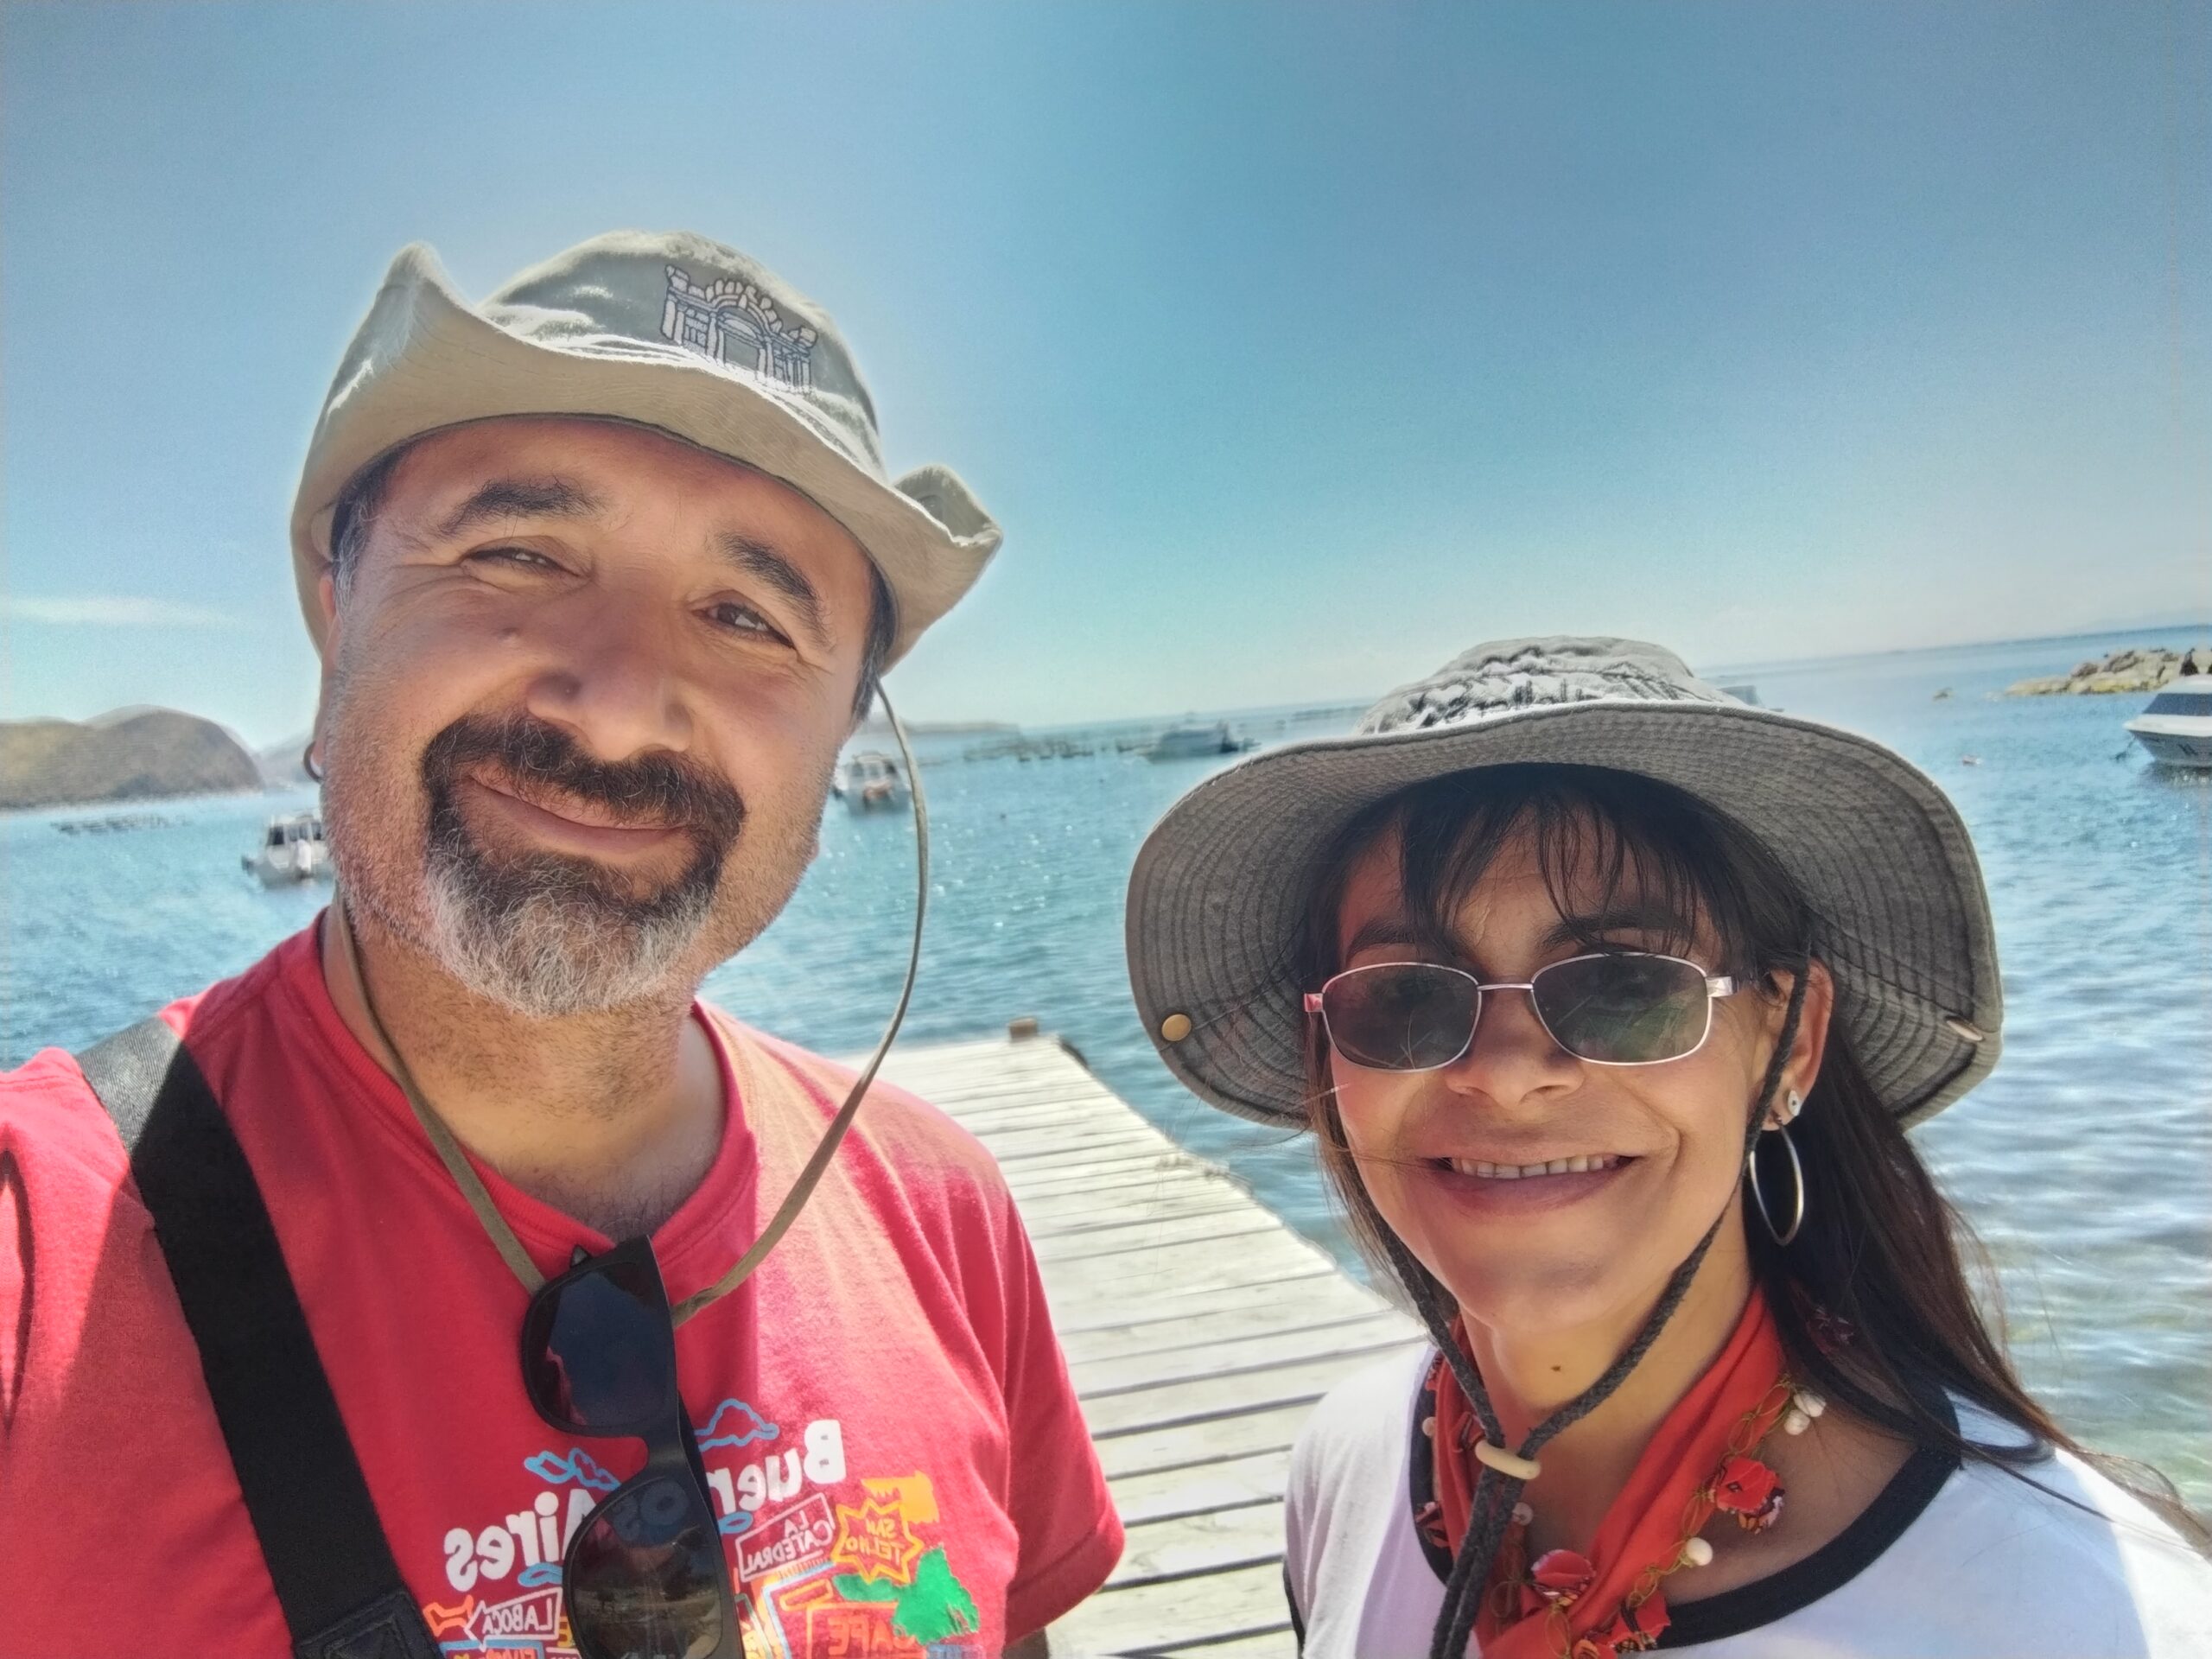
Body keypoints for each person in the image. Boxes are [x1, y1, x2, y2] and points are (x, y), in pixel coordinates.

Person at [0, 232, 1121, 1659]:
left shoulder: (943, 1219)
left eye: (746, 615)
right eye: (517, 553)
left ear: (843, 727)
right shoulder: (36, 1268)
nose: (617, 705)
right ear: (332, 606)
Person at [1125, 638, 2210, 1657]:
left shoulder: (2081, 1615)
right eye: (1404, 998)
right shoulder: (1351, 1463)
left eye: (1625, 987)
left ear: (1788, 1044)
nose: (1506, 1072)